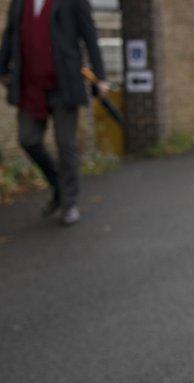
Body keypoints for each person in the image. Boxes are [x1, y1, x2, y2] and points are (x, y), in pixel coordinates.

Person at [0, 0, 109, 226]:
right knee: (28, 139)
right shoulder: (20, 3)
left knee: (65, 144)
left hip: (65, 85)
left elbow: (89, 36)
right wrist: (2, 69)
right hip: (30, 86)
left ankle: (69, 203)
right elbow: (10, 35)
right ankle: (58, 185)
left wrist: (101, 77)